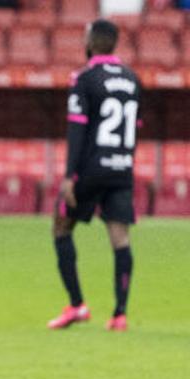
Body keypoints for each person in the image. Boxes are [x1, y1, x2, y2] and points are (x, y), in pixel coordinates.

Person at [48, 19, 141, 332]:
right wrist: (124, 163)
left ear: (90, 42)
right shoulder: (132, 79)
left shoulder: (84, 78)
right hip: (122, 167)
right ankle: (120, 314)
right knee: (120, 237)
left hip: (90, 168)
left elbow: (78, 128)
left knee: (61, 227)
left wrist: (69, 175)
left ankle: (77, 305)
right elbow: (135, 129)